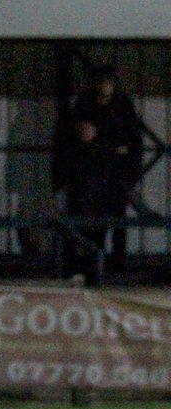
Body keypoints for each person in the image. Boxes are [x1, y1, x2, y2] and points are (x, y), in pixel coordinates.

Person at [58, 63, 143, 281]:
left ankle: (116, 268)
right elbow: (79, 140)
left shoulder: (123, 106)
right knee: (93, 225)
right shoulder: (85, 105)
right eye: (102, 81)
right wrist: (112, 148)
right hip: (92, 176)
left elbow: (131, 144)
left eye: (109, 82)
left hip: (115, 176)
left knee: (117, 223)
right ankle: (95, 266)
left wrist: (128, 171)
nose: (105, 86)